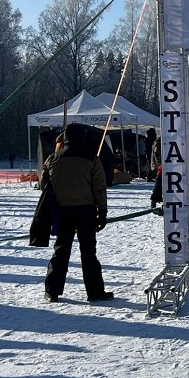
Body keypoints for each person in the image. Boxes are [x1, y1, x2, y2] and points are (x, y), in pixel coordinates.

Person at [42, 123, 113, 303]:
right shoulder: (91, 159)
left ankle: (52, 290)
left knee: (60, 251)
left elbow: (45, 186)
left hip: (62, 211)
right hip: (85, 211)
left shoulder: (53, 158)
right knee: (88, 253)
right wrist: (102, 211)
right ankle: (95, 291)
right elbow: (99, 187)